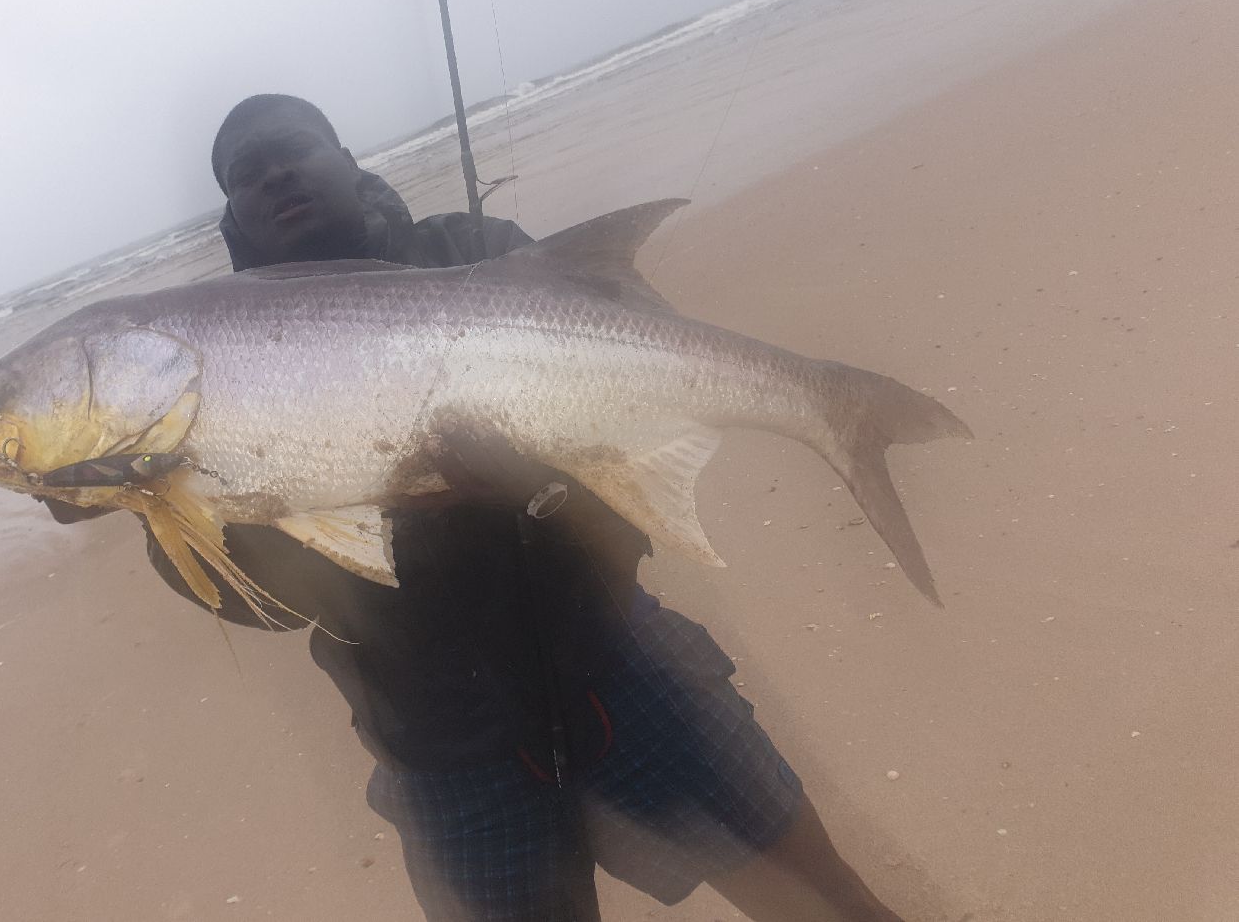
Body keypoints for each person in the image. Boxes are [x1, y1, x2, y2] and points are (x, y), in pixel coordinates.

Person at [55, 94, 906, 922]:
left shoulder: (479, 249)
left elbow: (643, 368)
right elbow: (260, 606)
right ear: (232, 218)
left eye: (296, 148)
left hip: (614, 656)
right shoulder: (201, 374)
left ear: (350, 164)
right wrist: (147, 491)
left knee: (826, 901)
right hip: (440, 743)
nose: (277, 173)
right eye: (248, 172)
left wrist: (535, 485)